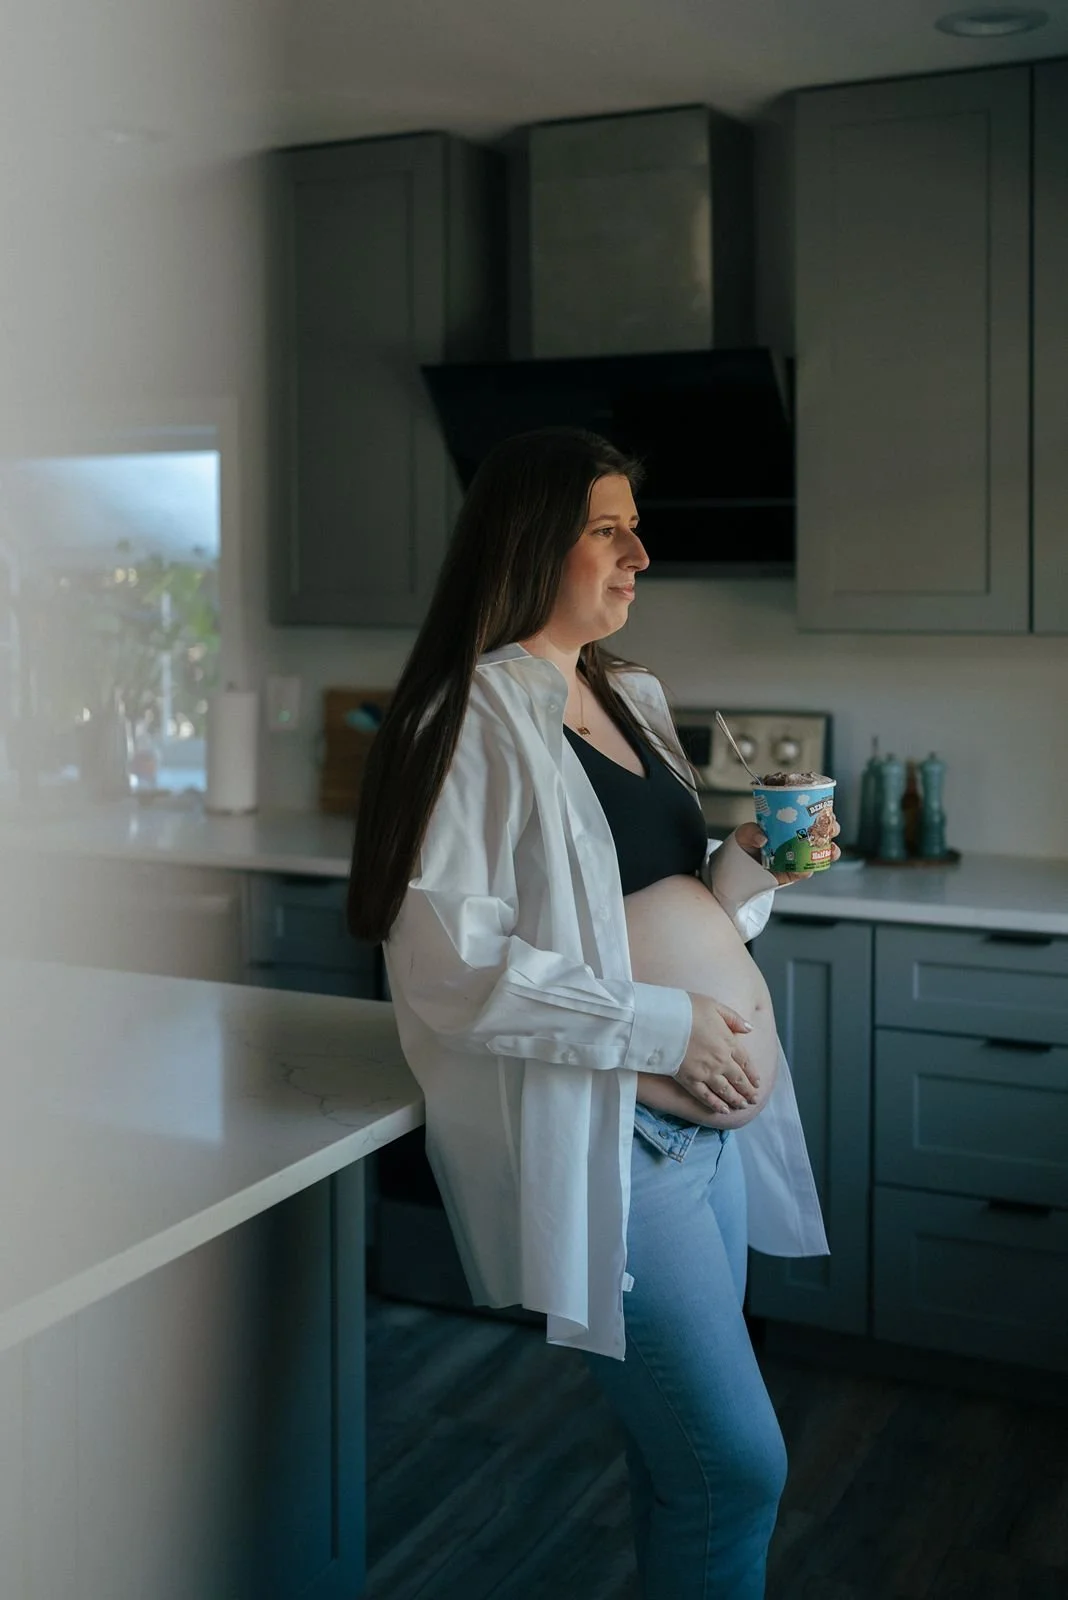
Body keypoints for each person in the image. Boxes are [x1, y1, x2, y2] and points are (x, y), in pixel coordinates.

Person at [348, 427, 836, 1599]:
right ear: (530, 544)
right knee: (738, 1464)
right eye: (608, 529)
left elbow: (646, 911)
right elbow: (453, 970)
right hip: (621, 1143)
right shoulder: (464, 719)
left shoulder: (630, 695)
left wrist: (755, 870)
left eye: (633, 527)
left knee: (682, 1466)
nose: (641, 555)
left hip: (703, 1135)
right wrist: (672, 1032)